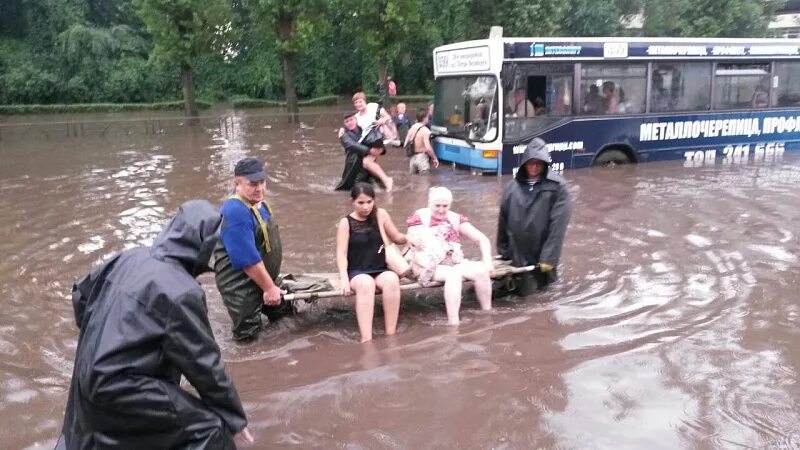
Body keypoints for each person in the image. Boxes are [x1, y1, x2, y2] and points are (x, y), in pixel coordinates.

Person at [56, 200, 253, 450]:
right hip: (122, 387)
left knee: (92, 438)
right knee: (210, 429)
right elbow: (204, 363)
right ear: (202, 245)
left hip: (87, 373)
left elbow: (81, 295)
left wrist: (98, 337)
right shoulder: (182, 291)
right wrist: (235, 418)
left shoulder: (127, 258)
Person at [214, 157, 288, 342]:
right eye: (253, 184)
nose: (260, 189)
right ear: (237, 184)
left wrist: (271, 284)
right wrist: (270, 288)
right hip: (239, 285)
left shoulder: (260, 204)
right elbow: (247, 260)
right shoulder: (235, 211)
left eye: (262, 182)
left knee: (285, 317)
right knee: (248, 339)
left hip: (265, 279)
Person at [336, 183, 417, 342]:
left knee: (392, 280)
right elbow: (341, 253)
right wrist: (344, 279)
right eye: (361, 203)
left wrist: (407, 238)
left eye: (369, 202)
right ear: (352, 202)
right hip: (357, 271)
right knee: (366, 284)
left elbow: (395, 236)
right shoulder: (346, 223)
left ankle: (391, 335)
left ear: (374, 200)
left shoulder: (381, 214)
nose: (365, 207)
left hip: (380, 268)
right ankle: (366, 339)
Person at [406, 187, 493, 325]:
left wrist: (488, 262)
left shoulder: (455, 218)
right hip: (426, 263)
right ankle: (454, 322)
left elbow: (482, 239)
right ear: (429, 203)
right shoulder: (420, 217)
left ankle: (488, 313)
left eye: (445, 206)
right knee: (453, 275)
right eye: (437, 206)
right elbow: (414, 243)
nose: (441, 210)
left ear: (450, 205)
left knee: (482, 270)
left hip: (453, 260)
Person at [497, 138, 572, 296]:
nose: (534, 166)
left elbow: (558, 227)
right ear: (524, 163)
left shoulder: (557, 188)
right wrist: (503, 250)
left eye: (539, 163)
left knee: (537, 297)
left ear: (545, 164)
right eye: (531, 162)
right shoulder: (512, 187)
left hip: (540, 257)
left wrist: (549, 258)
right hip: (516, 254)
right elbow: (503, 220)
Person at [336, 111, 393, 192]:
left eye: (351, 120)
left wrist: (381, 150)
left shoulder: (364, 129)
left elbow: (375, 140)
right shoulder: (344, 135)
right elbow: (351, 145)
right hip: (354, 169)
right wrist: (369, 150)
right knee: (354, 191)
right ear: (344, 124)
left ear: (356, 120)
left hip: (368, 168)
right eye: (347, 121)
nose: (350, 123)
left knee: (384, 191)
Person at [404, 109, 440, 174]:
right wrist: (434, 158)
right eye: (428, 117)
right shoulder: (425, 131)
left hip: (412, 158)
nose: (428, 119)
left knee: (413, 181)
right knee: (424, 181)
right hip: (422, 158)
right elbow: (428, 148)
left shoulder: (412, 128)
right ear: (424, 118)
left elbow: (405, 144)